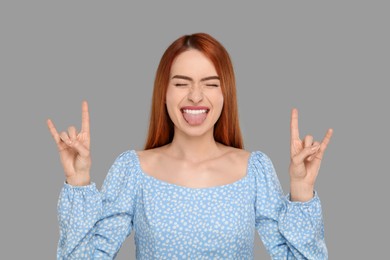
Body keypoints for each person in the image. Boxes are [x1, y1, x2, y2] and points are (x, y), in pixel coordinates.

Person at [47, 33, 333, 259]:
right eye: (182, 83)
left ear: (225, 94)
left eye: (210, 84)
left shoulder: (253, 170)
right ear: (164, 92)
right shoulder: (133, 170)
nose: (196, 96)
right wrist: (78, 181)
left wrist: (301, 191)